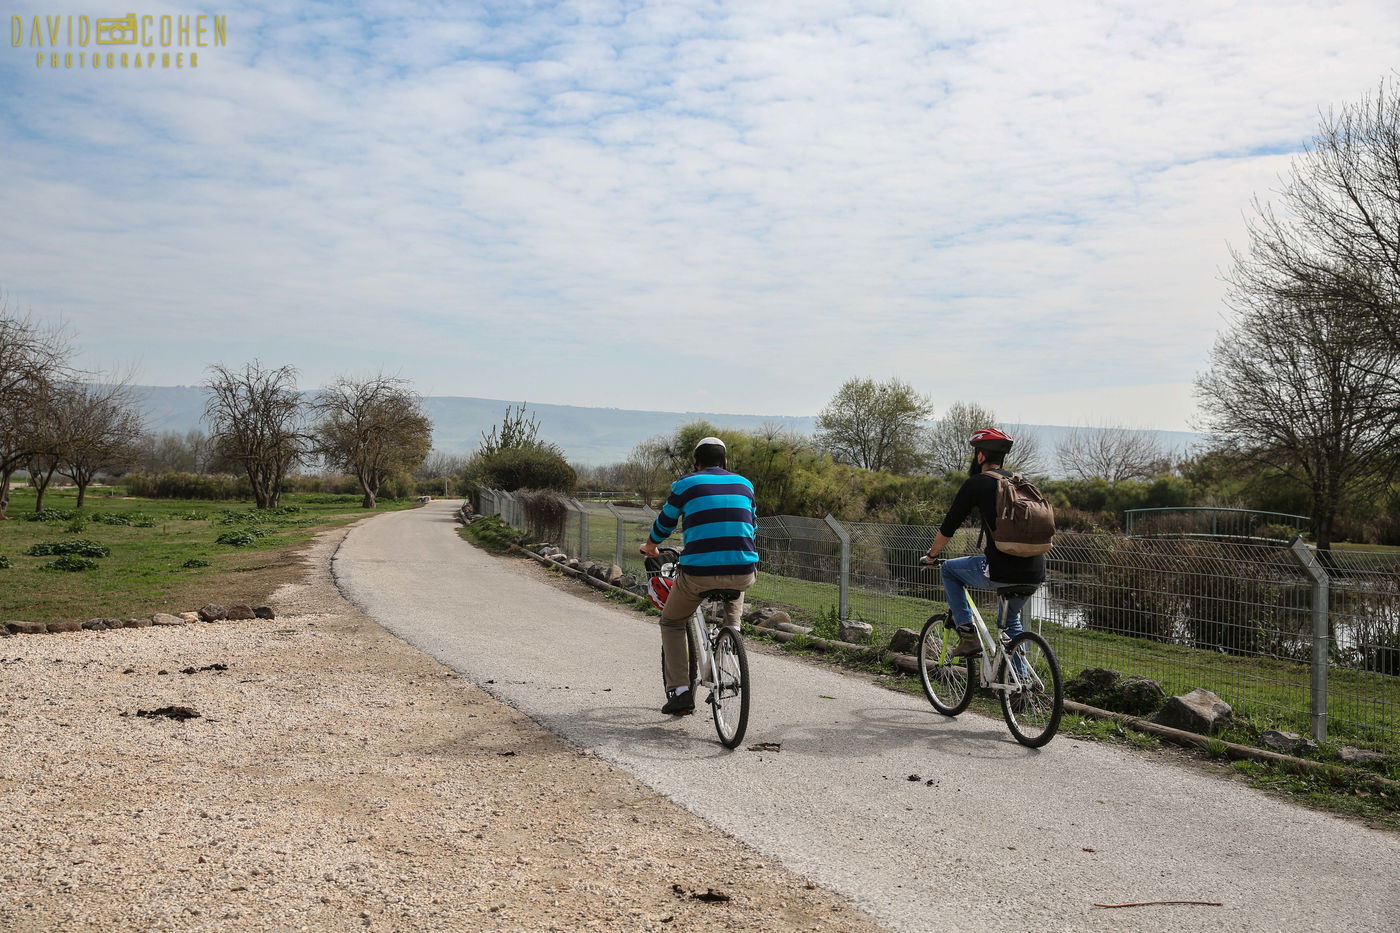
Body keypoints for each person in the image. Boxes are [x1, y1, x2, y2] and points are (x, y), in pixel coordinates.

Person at [639, 436, 758, 715]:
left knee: (671, 622)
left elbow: (665, 523)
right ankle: (734, 632)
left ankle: (680, 693)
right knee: (738, 578)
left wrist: (650, 546)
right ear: (725, 462)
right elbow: (752, 527)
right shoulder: (745, 485)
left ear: (697, 462)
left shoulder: (685, 484)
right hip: (742, 570)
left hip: (698, 574)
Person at [923, 427, 1045, 657]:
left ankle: (968, 635)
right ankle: (1021, 686)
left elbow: (950, 525)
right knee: (1011, 626)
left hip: (1000, 570)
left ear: (980, 455)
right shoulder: (1021, 482)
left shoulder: (978, 483)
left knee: (949, 570)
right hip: (1035, 572)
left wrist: (932, 556)